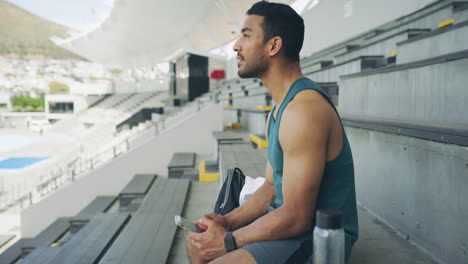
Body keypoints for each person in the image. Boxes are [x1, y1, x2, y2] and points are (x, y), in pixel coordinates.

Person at [187, 2, 358, 263]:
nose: (236, 46)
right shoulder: (279, 109)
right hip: (291, 225)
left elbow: (298, 217)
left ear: (273, 46)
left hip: (319, 237)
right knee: (197, 245)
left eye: (246, 35)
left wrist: (228, 240)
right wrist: (226, 221)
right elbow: (270, 188)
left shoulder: (303, 111)